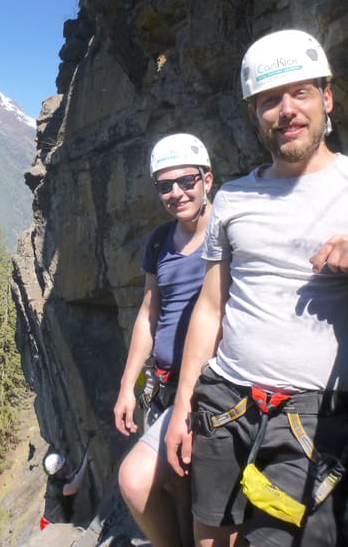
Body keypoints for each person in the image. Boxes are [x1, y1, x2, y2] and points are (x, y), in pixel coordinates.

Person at [165, 29, 348, 547]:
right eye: (269, 100)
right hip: (223, 402)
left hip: (314, 420)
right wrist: (182, 408)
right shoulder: (233, 199)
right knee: (211, 534)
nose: (286, 110)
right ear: (255, 114)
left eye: (300, 93)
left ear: (327, 98)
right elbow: (211, 309)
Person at [114, 133, 214, 547]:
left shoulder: (227, 233)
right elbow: (149, 314)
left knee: (189, 488)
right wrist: (126, 387)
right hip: (166, 387)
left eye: (187, 181)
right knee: (159, 485)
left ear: (207, 178)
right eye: (164, 185)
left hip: (211, 390)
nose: (176, 193)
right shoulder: (159, 241)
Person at [40, 443, 91, 530]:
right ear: (59, 471)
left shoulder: (54, 478)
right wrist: (85, 464)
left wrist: (76, 472)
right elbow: (73, 488)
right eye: (64, 466)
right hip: (51, 525)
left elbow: (68, 478)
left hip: (53, 522)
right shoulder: (54, 487)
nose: (67, 466)